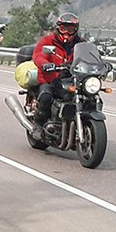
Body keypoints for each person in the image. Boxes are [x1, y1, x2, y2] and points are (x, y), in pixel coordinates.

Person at [30, 12, 82, 142]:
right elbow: (38, 55)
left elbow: (90, 55)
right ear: (58, 28)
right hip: (49, 78)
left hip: (71, 79)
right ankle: (38, 125)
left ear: (76, 30)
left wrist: (102, 63)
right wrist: (45, 64)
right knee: (46, 97)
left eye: (70, 29)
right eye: (64, 28)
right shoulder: (48, 41)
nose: (67, 32)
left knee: (87, 97)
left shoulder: (80, 43)